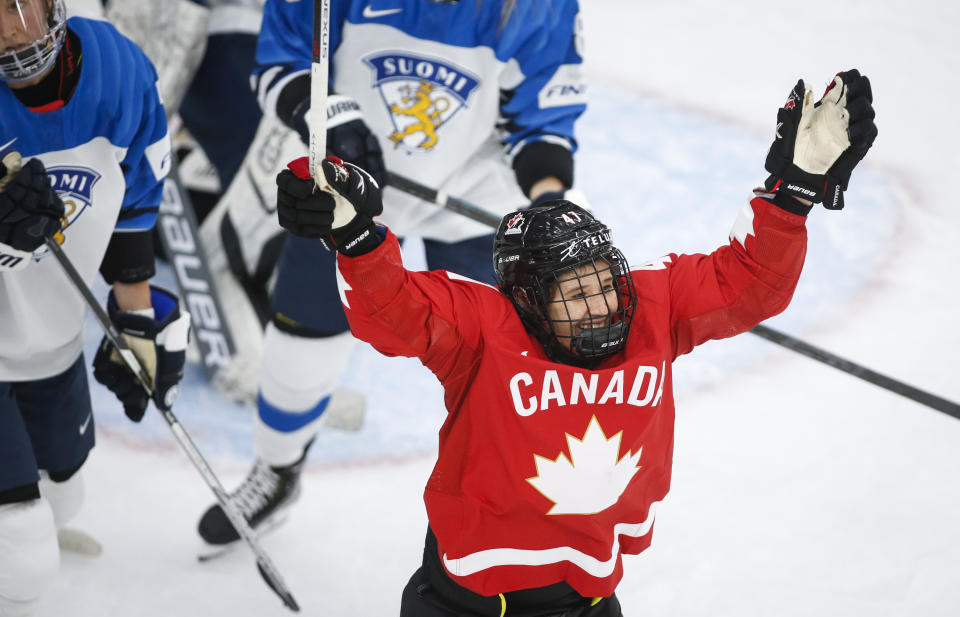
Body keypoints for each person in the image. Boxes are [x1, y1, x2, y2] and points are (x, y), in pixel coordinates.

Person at [271, 68, 876, 615]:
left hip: (586, 600)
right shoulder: (485, 329)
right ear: (529, 300)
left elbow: (750, 285)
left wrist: (793, 192)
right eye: (575, 294)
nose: (603, 305)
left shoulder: (649, 307)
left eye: (605, 283)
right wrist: (354, 236)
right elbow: (395, 310)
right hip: (461, 605)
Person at [198, 0, 588, 548]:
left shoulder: (536, 7)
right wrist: (326, 115)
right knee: (300, 342)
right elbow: (282, 58)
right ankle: (279, 470)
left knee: (505, 367)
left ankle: (511, 502)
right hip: (351, 182)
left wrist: (549, 203)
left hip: (480, 192)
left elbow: (543, 121)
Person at [0, 2, 189, 614]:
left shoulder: (116, 71)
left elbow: (135, 199)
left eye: (17, 6)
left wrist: (135, 320)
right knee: (24, 557)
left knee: (66, 491)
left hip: (49, 335)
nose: (8, 29)